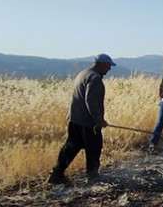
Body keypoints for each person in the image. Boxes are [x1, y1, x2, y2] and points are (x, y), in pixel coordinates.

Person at [47, 53, 116, 185]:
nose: (109, 69)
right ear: (102, 64)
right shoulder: (95, 78)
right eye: (108, 66)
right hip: (88, 123)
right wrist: (98, 120)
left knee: (71, 147)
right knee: (94, 148)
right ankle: (93, 177)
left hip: (74, 119)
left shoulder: (83, 73)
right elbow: (90, 100)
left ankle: (55, 174)